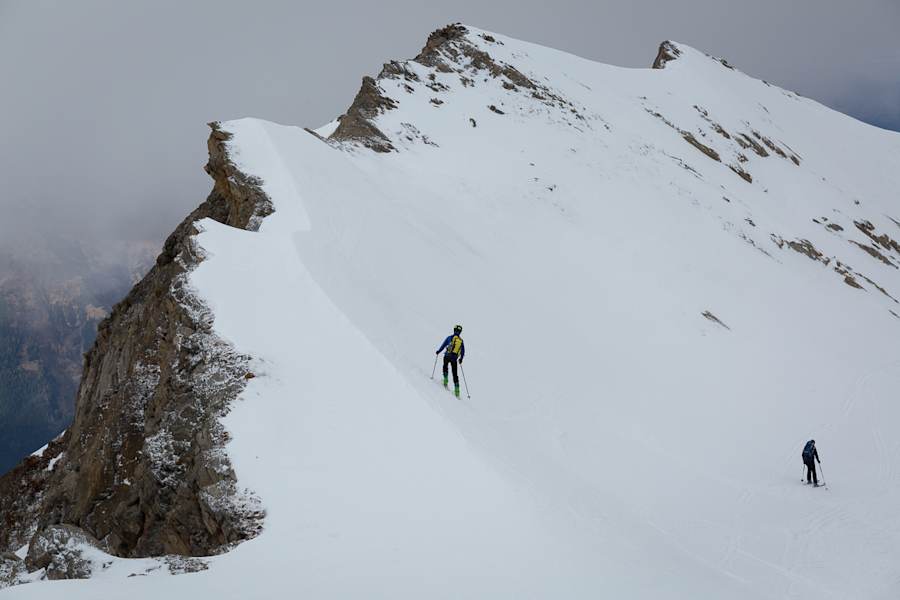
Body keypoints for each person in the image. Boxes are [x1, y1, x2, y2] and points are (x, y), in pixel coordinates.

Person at [436, 324, 465, 397]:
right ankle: (457, 390)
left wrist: (438, 351)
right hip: (454, 358)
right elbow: (463, 351)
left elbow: (443, 345)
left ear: (454, 330)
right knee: (455, 373)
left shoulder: (449, 337)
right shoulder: (461, 341)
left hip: (447, 356)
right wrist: (461, 359)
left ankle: (445, 380)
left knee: (445, 366)